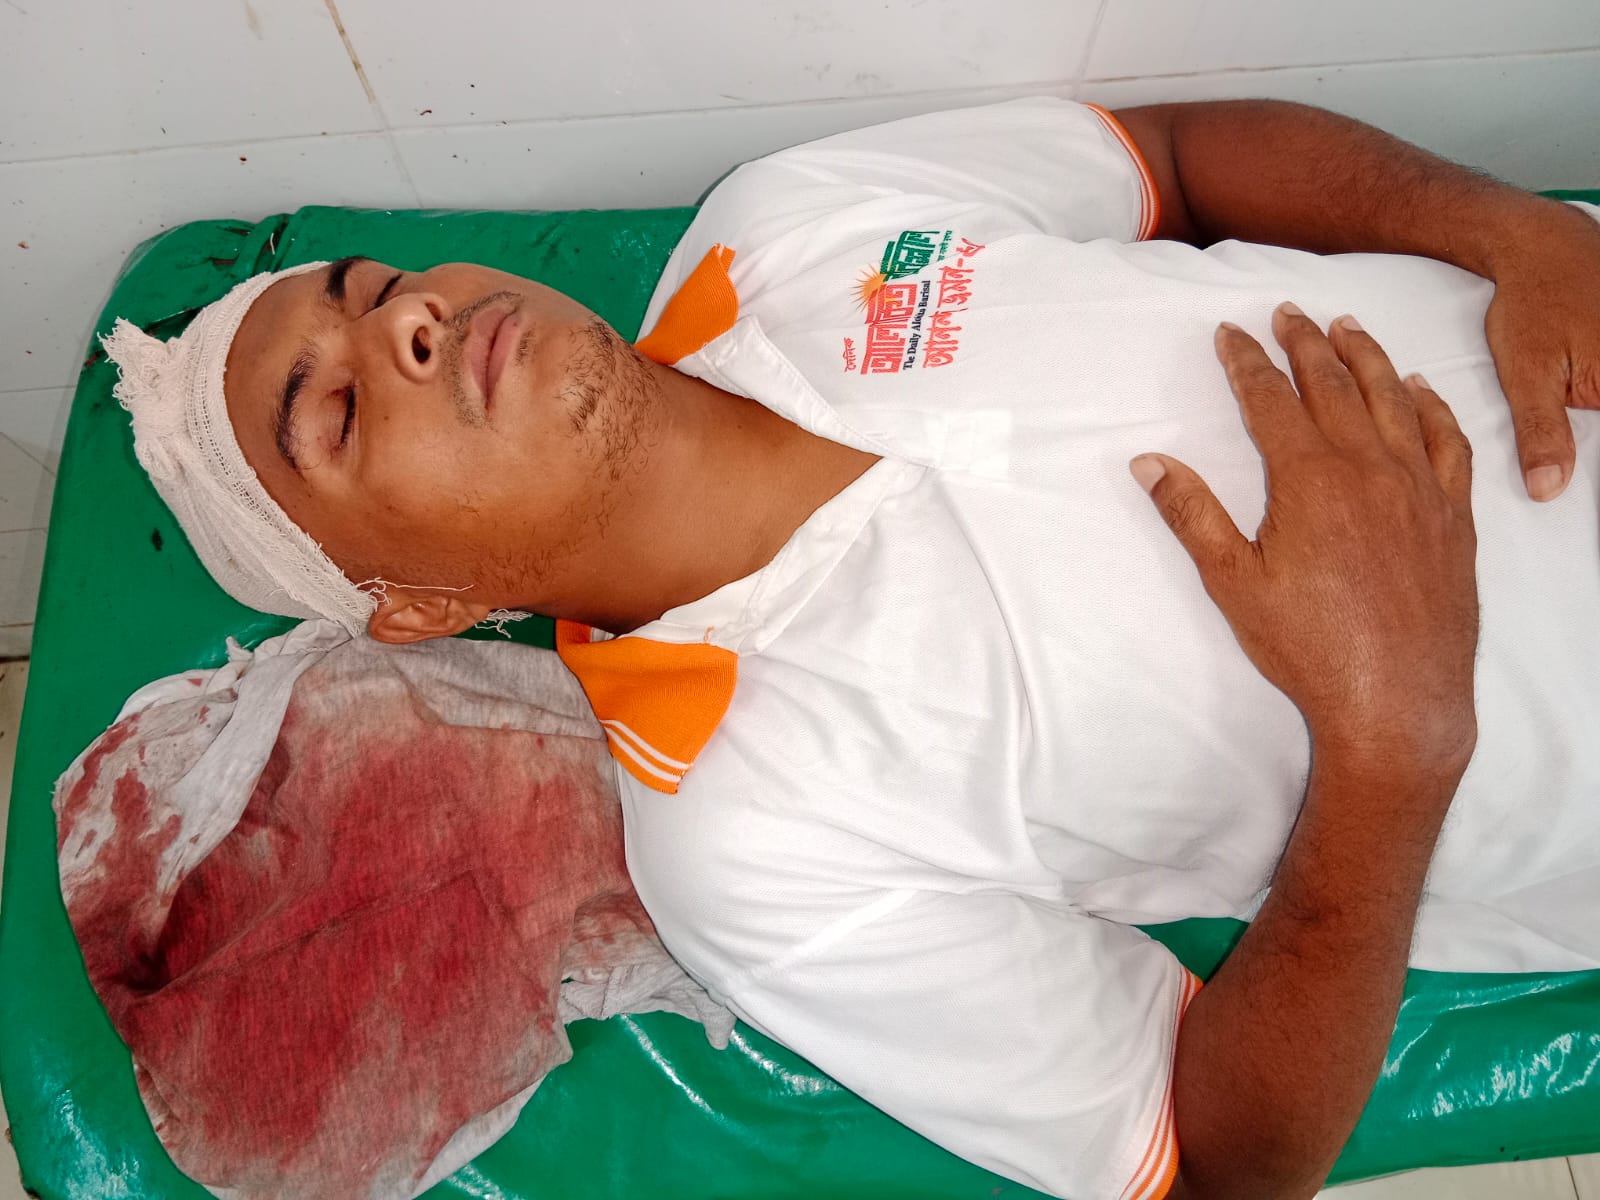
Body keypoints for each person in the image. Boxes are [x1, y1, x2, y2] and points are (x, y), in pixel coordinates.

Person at [100, 98, 1600, 1200]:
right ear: (419, 609)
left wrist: (1517, 231)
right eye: (341, 411)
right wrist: (1391, 747)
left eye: (376, 294)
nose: (412, 326)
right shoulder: (746, 840)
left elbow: (1176, 159)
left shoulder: (782, 226)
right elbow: (1220, 1159)